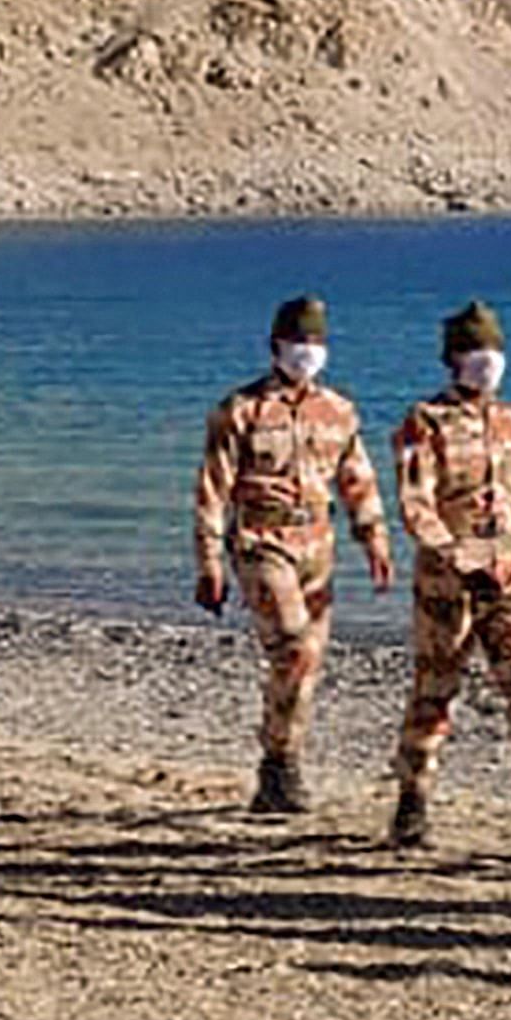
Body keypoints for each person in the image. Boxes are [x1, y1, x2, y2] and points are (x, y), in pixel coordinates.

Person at [385, 300, 511, 859]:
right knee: (436, 692)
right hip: (450, 583)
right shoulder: (424, 421)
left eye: (496, 351)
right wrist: (456, 558)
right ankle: (413, 801)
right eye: (478, 351)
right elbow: (414, 505)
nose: (489, 361)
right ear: (454, 358)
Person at [190, 292, 392, 815]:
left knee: (307, 663)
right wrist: (209, 561)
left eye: (316, 342)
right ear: (275, 346)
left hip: (317, 548)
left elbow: (357, 477)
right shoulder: (241, 410)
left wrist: (374, 537)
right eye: (297, 341)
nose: (307, 352)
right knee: (295, 649)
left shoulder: (338, 411)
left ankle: (281, 766)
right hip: (262, 544)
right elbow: (213, 488)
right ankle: (279, 761)